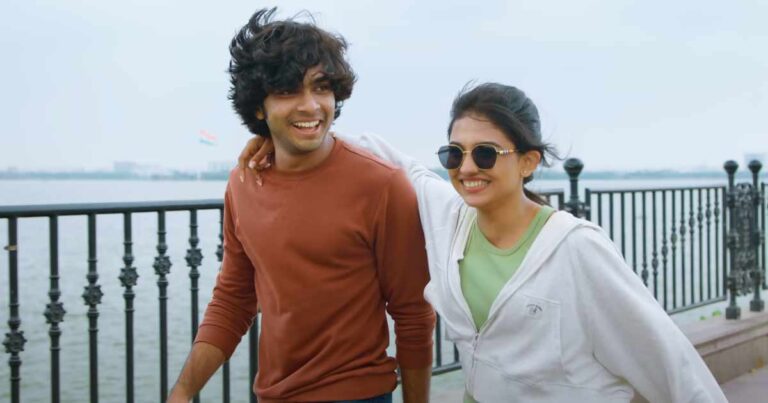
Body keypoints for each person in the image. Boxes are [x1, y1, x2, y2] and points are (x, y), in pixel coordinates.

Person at [239, 83, 727, 402]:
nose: (467, 168)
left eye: (487, 154)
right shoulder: (449, 217)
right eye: (455, 153)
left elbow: (669, 361)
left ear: (529, 162)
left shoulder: (576, 248)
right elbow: (382, 153)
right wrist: (276, 137)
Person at [167, 8, 435, 403]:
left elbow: (413, 314)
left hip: (357, 394)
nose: (310, 106)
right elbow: (234, 298)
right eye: (288, 91)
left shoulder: (382, 185)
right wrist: (182, 391)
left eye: (321, 87)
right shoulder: (242, 182)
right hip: (271, 394)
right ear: (258, 106)